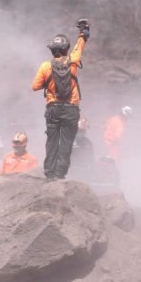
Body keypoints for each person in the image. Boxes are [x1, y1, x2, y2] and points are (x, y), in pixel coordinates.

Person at [32, 20, 89, 180]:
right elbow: (80, 45)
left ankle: (49, 174)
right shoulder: (73, 60)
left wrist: (48, 82)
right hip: (71, 109)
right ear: (66, 49)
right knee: (66, 143)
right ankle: (60, 174)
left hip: (53, 108)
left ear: (52, 50)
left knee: (52, 141)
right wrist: (83, 32)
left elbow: (35, 86)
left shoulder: (45, 66)